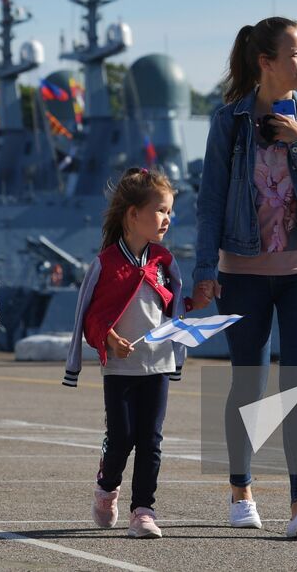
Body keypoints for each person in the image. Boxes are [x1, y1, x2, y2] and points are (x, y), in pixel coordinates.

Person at [190, 16, 297, 540]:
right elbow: (209, 203)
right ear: (266, 62)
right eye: (296, 53)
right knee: (248, 386)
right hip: (243, 273)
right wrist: (205, 271)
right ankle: (241, 491)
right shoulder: (228, 122)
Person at [63, 168, 195, 538]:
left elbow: (171, 308)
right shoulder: (105, 264)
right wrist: (108, 338)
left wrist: (192, 303)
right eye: (160, 211)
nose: (167, 219)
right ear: (132, 215)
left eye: (170, 212)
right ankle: (106, 487)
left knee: (151, 439)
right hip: (121, 369)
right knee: (122, 437)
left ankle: (143, 510)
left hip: (158, 364)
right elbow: (90, 317)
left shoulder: (165, 262)